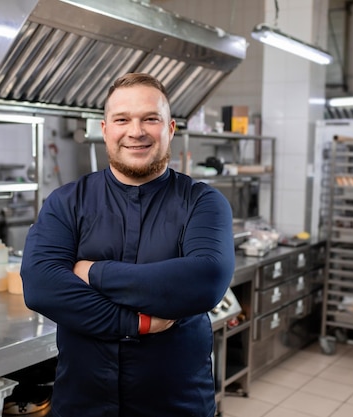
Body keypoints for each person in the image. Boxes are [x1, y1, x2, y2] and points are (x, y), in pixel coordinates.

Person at [21, 72, 235, 417]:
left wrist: (93, 272)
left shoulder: (202, 202)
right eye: (122, 119)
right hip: (81, 404)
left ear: (171, 128)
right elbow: (41, 286)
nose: (136, 131)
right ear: (105, 130)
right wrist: (137, 323)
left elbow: (204, 280)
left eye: (151, 118)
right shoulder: (67, 202)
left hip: (176, 405)